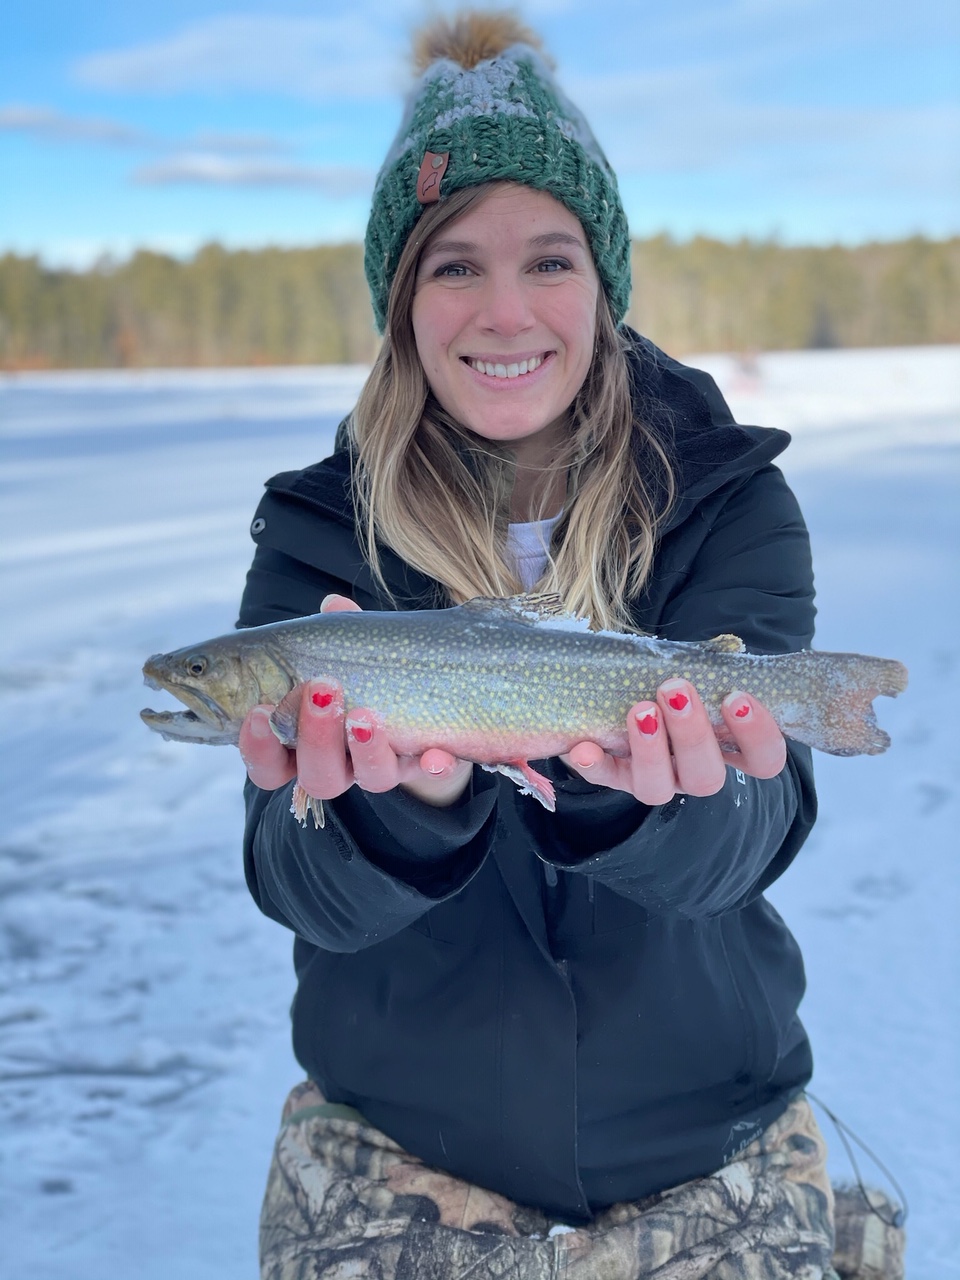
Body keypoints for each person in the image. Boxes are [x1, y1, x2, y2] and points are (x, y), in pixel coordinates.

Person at [236, 13, 904, 1279]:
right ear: (400, 300)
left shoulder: (728, 497)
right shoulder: (321, 527)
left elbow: (753, 835)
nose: (505, 310)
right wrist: (406, 803)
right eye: (451, 266)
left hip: (710, 1136)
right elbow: (296, 879)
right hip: (395, 1146)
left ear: (602, 283)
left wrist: (624, 784)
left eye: (549, 259)